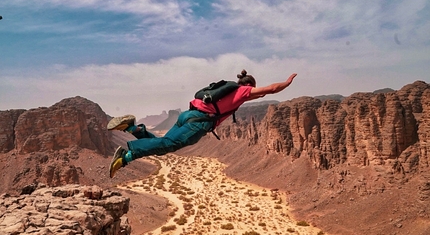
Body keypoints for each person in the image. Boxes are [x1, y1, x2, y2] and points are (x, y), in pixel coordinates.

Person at [108, 70, 297, 178]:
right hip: (198, 124)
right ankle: (126, 157)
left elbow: (260, 94)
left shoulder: (227, 90)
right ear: (249, 86)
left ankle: (132, 128)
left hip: (187, 115)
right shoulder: (242, 91)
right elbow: (271, 89)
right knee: (168, 145)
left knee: (164, 141)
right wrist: (287, 83)